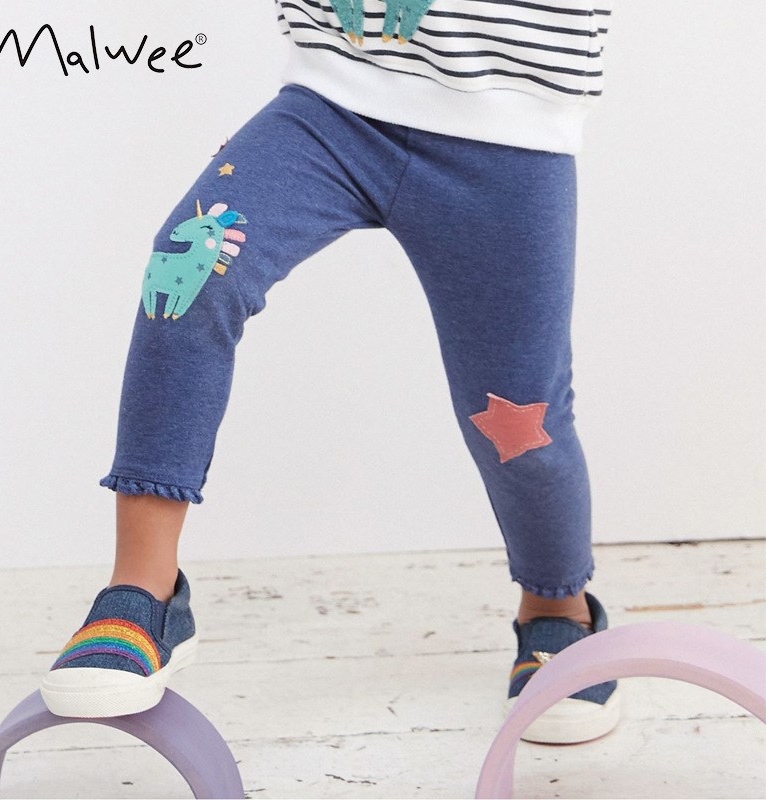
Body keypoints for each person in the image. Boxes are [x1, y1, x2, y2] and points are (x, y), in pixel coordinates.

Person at [40, 0, 620, 744]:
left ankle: (557, 607)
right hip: (331, 99)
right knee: (187, 277)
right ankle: (142, 593)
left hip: (509, 126)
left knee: (516, 411)